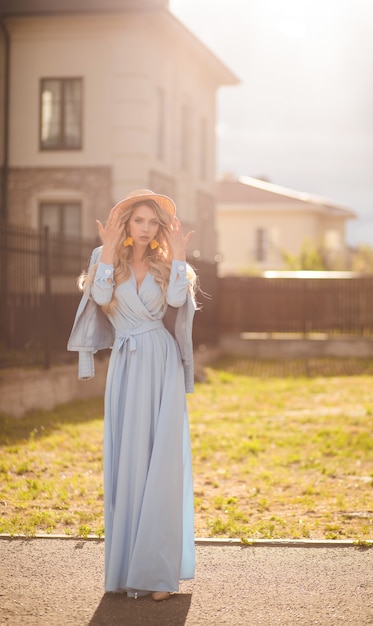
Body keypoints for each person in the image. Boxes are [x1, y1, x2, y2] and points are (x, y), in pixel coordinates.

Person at [68, 189, 197, 601]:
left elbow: (177, 300)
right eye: (138, 221)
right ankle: (126, 569)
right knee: (128, 461)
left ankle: (158, 574)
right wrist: (107, 250)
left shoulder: (167, 265)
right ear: (125, 224)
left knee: (160, 461)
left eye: (152, 222)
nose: (145, 229)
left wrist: (178, 254)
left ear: (161, 227)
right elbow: (101, 297)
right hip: (126, 363)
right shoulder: (104, 261)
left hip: (161, 363)